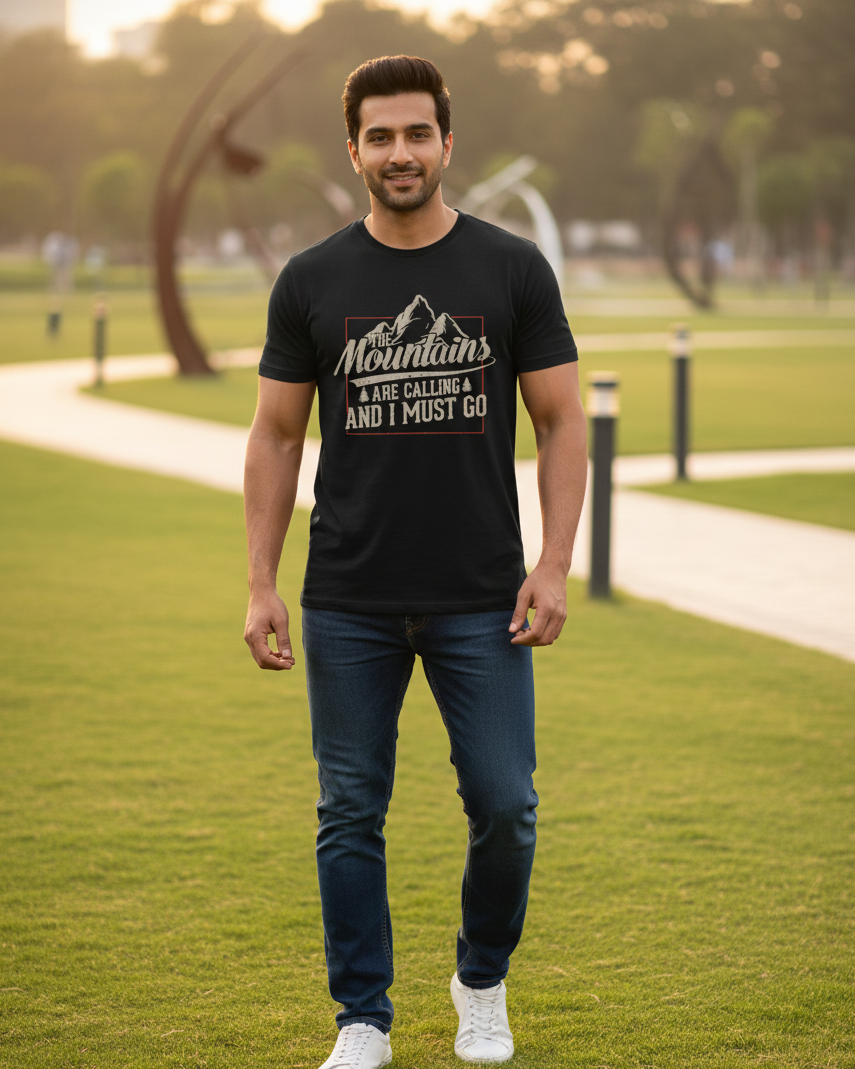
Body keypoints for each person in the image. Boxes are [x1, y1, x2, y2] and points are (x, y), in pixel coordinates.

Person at [244, 55, 587, 1069]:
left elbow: (563, 421)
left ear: (448, 143)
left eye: (417, 134)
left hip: (484, 596)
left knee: (506, 805)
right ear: (354, 151)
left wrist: (556, 561)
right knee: (349, 808)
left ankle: (480, 979)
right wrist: (261, 582)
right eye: (380, 137)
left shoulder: (510, 268)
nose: (400, 152)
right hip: (347, 595)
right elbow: (273, 434)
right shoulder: (312, 280)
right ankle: (363, 1017)